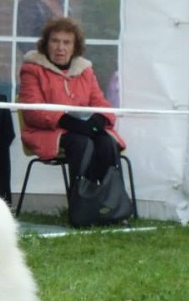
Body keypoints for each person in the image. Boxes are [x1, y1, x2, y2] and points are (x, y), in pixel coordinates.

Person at [18, 17, 126, 186]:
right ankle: (83, 203)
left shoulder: (86, 71)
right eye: (55, 41)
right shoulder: (31, 70)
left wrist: (98, 121)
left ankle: (111, 202)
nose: (60, 48)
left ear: (74, 47)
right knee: (81, 142)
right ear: (46, 44)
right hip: (46, 132)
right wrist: (69, 122)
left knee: (105, 141)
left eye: (67, 42)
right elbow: (33, 111)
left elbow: (101, 104)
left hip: (81, 131)